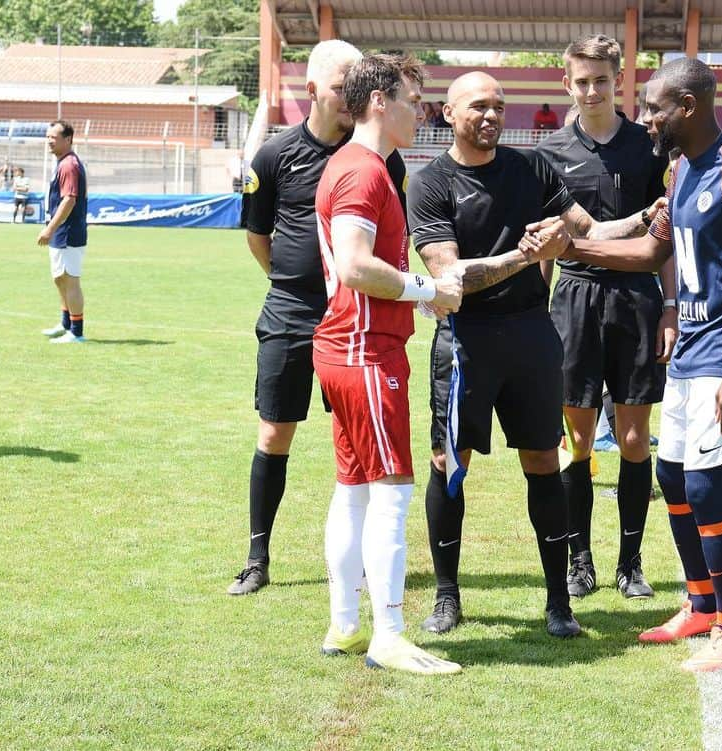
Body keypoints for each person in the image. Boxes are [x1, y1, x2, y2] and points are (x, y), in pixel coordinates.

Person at [541, 57, 722, 671]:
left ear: (688, 107)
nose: (646, 117)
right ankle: (702, 605)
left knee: (707, 487)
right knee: (674, 481)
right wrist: (569, 246)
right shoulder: (680, 172)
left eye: (655, 106)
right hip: (691, 353)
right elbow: (654, 249)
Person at [407, 71, 658, 638]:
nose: (491, 116)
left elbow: (589, 230)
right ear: (449, 114)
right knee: (450, 465)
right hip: (465, 342)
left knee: (545, 461)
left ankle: (557, 603)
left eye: (498, 106)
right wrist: (527, 257)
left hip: (532, 337)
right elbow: (449, 278)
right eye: (478, 107)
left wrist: (649, 216)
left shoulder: (535, 168)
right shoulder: (430, 183)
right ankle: (447, 597)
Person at [228, 40, 409, 595]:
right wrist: (292, 283)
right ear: (311, 91)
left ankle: (353, 558)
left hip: (351, 318)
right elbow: (259, 238)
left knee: (354, 439)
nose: (349, 97)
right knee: (274, 431)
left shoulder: (381, 157)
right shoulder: (274, 156)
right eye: (338, 87)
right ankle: (258, 556)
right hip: (289, 311)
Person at [313, 52, 463, 675]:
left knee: (353, 492)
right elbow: (353, 265)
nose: (419, 109)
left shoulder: (359, 166)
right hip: (365, 351)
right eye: (410, 97)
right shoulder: (363, 172)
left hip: (348, 347)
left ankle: (347, 626)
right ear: (380, 101)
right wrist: (428, 292)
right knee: (392, 493)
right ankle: (389, 634)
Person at [535, 33, 674, 600]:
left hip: (638, 300)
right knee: (578, 439)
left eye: (601, 80)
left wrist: (669, 307)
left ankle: (631, 562)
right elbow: (544, 247)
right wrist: (535, 318)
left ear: (620, 80)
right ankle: (580, 559)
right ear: (566, 83)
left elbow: (667, 235)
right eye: (581, 80)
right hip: (574, 301)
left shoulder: (649, 147)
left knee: (636, 438)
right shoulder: (549, 156)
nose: (591, 90)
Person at [38, 120, 88, 345]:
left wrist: (50, 228)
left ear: (68, 139)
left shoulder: (69, 165)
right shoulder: (63, 162)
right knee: (59, 279)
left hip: (68, 231)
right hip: (61, 231)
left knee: (70, 280)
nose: (49, 141)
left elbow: (69, 199)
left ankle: (76, 332)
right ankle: (65, 323)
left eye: (54, 137)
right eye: (48, 137)